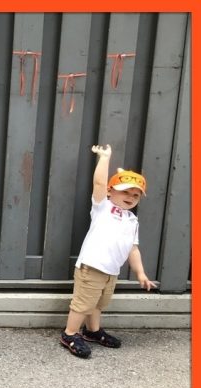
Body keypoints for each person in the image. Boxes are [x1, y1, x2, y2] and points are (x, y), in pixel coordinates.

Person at [60, 144, 157, 358]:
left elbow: (133, 248)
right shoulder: (102, 207)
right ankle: (70, 333)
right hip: (93, 266)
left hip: (111, 271)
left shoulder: (132, 220)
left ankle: (92, 331)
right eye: (125, 191)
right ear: (110, 191)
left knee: (98, 303)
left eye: (136, 195)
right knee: (83, 303)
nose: (131, 197)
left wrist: (140, 273)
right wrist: (105, 158)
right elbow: (99, 182)